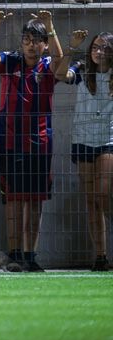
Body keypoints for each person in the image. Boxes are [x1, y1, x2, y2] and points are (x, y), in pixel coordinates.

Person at [0, 10, 64, 272]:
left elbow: (62, 60)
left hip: (40, 142)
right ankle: (15, 253)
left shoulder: (48, 65)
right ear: (22, 43)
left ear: (44, 44)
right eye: (27, 40)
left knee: (35, 200)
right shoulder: (11, 62)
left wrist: (50, 25)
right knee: (14, 199)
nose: (31, 45)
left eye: (36, 40)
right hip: (9, 141)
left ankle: (30, 254)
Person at [54, 30, 113, 270]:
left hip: (108, 138)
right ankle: (100, 256)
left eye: (105, 48)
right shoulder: (81, 70)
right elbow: (59, 75)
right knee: (92, 201)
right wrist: (71, 47)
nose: (100, 52)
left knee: (102, 195)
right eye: (96, 47)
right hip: (83, 139)